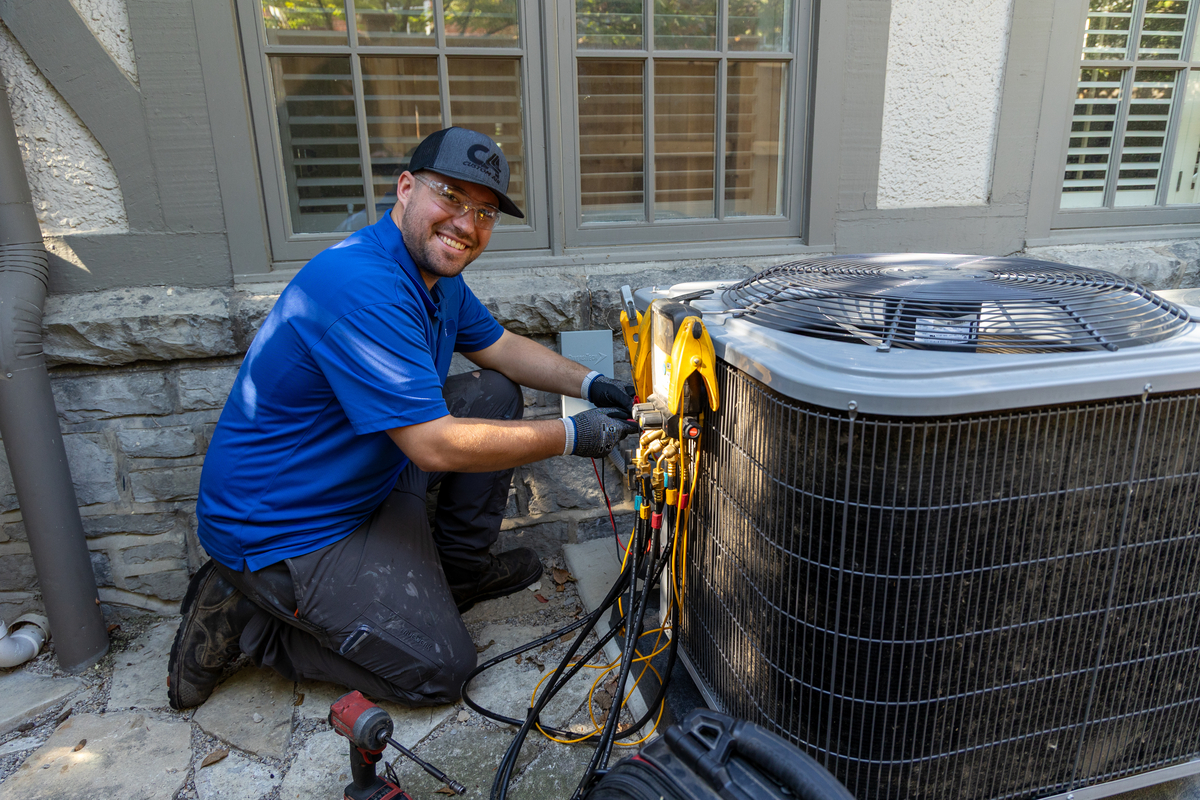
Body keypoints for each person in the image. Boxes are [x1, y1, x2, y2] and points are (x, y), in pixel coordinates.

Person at [168, 127, 639, 710]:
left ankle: (460, 574)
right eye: (452, 197)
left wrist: (595, 384)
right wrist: (573, 434)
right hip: (286, 527)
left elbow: (500, 347)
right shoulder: (364, 285)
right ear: (406, 188)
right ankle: (249, 621)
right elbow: (435, 446)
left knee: (493, 392)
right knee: (439, 672)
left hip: (359, 479)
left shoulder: (436, 280)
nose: (468, 224)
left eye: (486, 212)